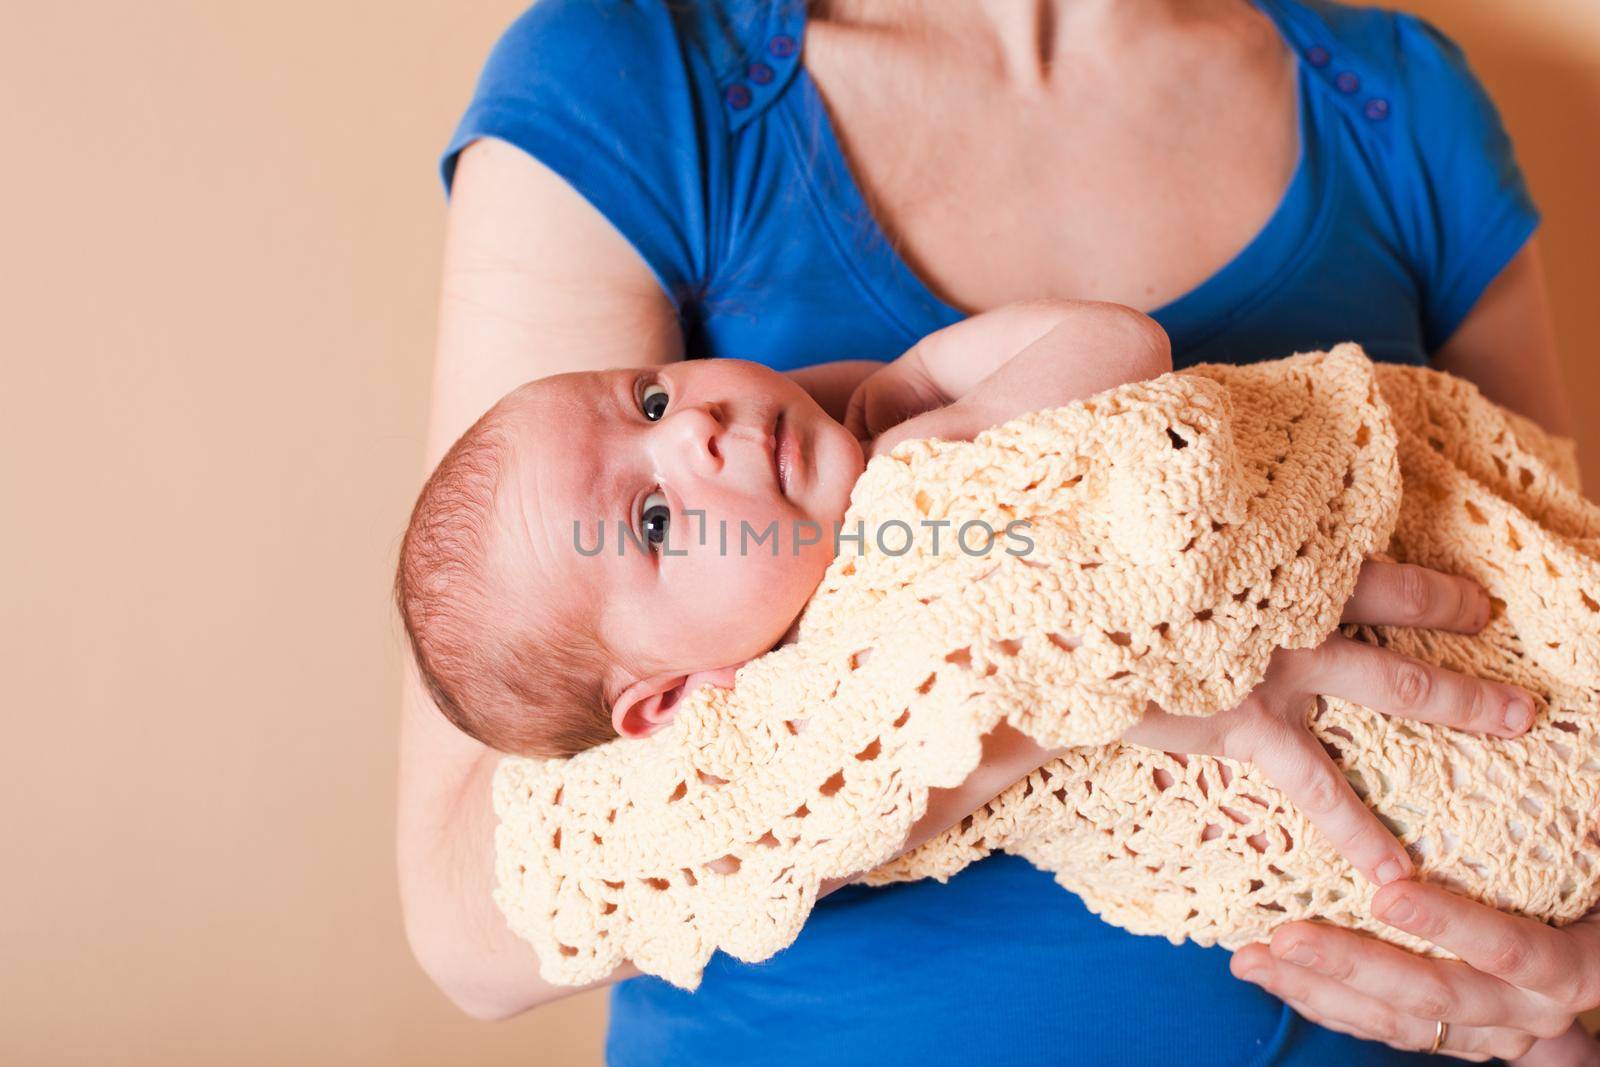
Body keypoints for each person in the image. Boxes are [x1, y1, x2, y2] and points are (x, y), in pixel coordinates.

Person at [398, 1, 1594, 1061]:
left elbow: (1551, 568)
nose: (692, 428)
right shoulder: (632, 78)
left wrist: (1576, 983)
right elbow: (469, 916)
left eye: (656, 398)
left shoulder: (1397, 101)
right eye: (653, 511)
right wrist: (1105, 662)